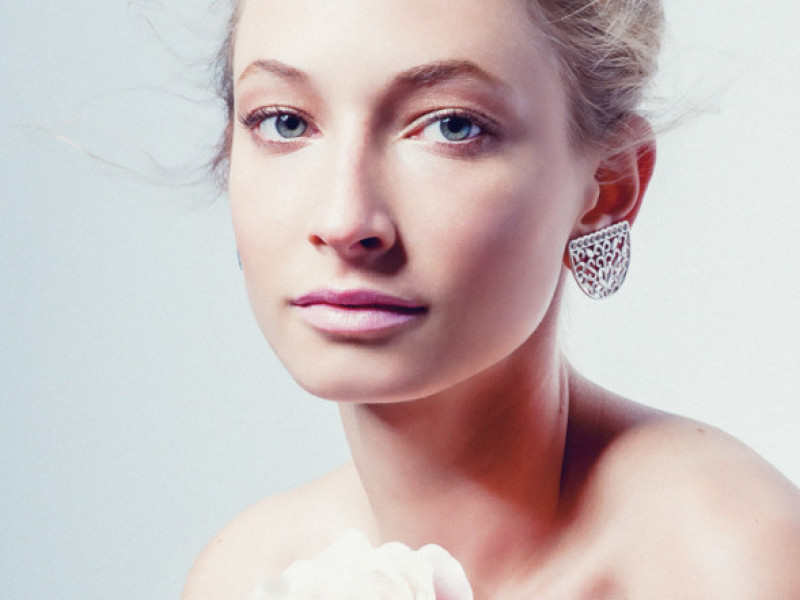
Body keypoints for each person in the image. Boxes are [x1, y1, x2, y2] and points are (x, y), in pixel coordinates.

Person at [181, 0, 800, 598]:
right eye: (283, 122)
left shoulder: (732, 564)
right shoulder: (247, 576)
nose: (345, 221)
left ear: (608, 187)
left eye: (452, 126)